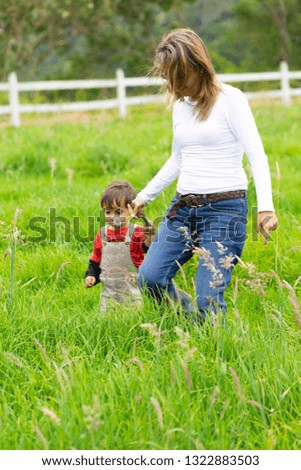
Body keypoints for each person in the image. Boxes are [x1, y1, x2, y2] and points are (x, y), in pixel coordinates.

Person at [130, 28, 278, 320]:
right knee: (149, 279)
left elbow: (256, 154)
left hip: (225, 210)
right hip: (184, 208)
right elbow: (178, 159)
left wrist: (266, 208)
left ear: (198, 66)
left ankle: (210, 343)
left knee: (209, 299)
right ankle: (189, 320)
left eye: (180, 76)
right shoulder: (181, 108)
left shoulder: (231, 100)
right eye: (170, 78)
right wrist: (143, 197)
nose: (176, 86)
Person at [85, 181, 154, 312]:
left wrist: (149, 235)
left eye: (118, 212)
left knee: (134, 317)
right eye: (108, 212)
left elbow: (148, 249)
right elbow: (96, 260)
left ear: (130, 210)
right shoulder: (102, 234)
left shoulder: (137, 232)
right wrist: (91, 276)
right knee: (108, 321)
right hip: (108, 293)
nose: (112, 217)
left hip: (133, 292)